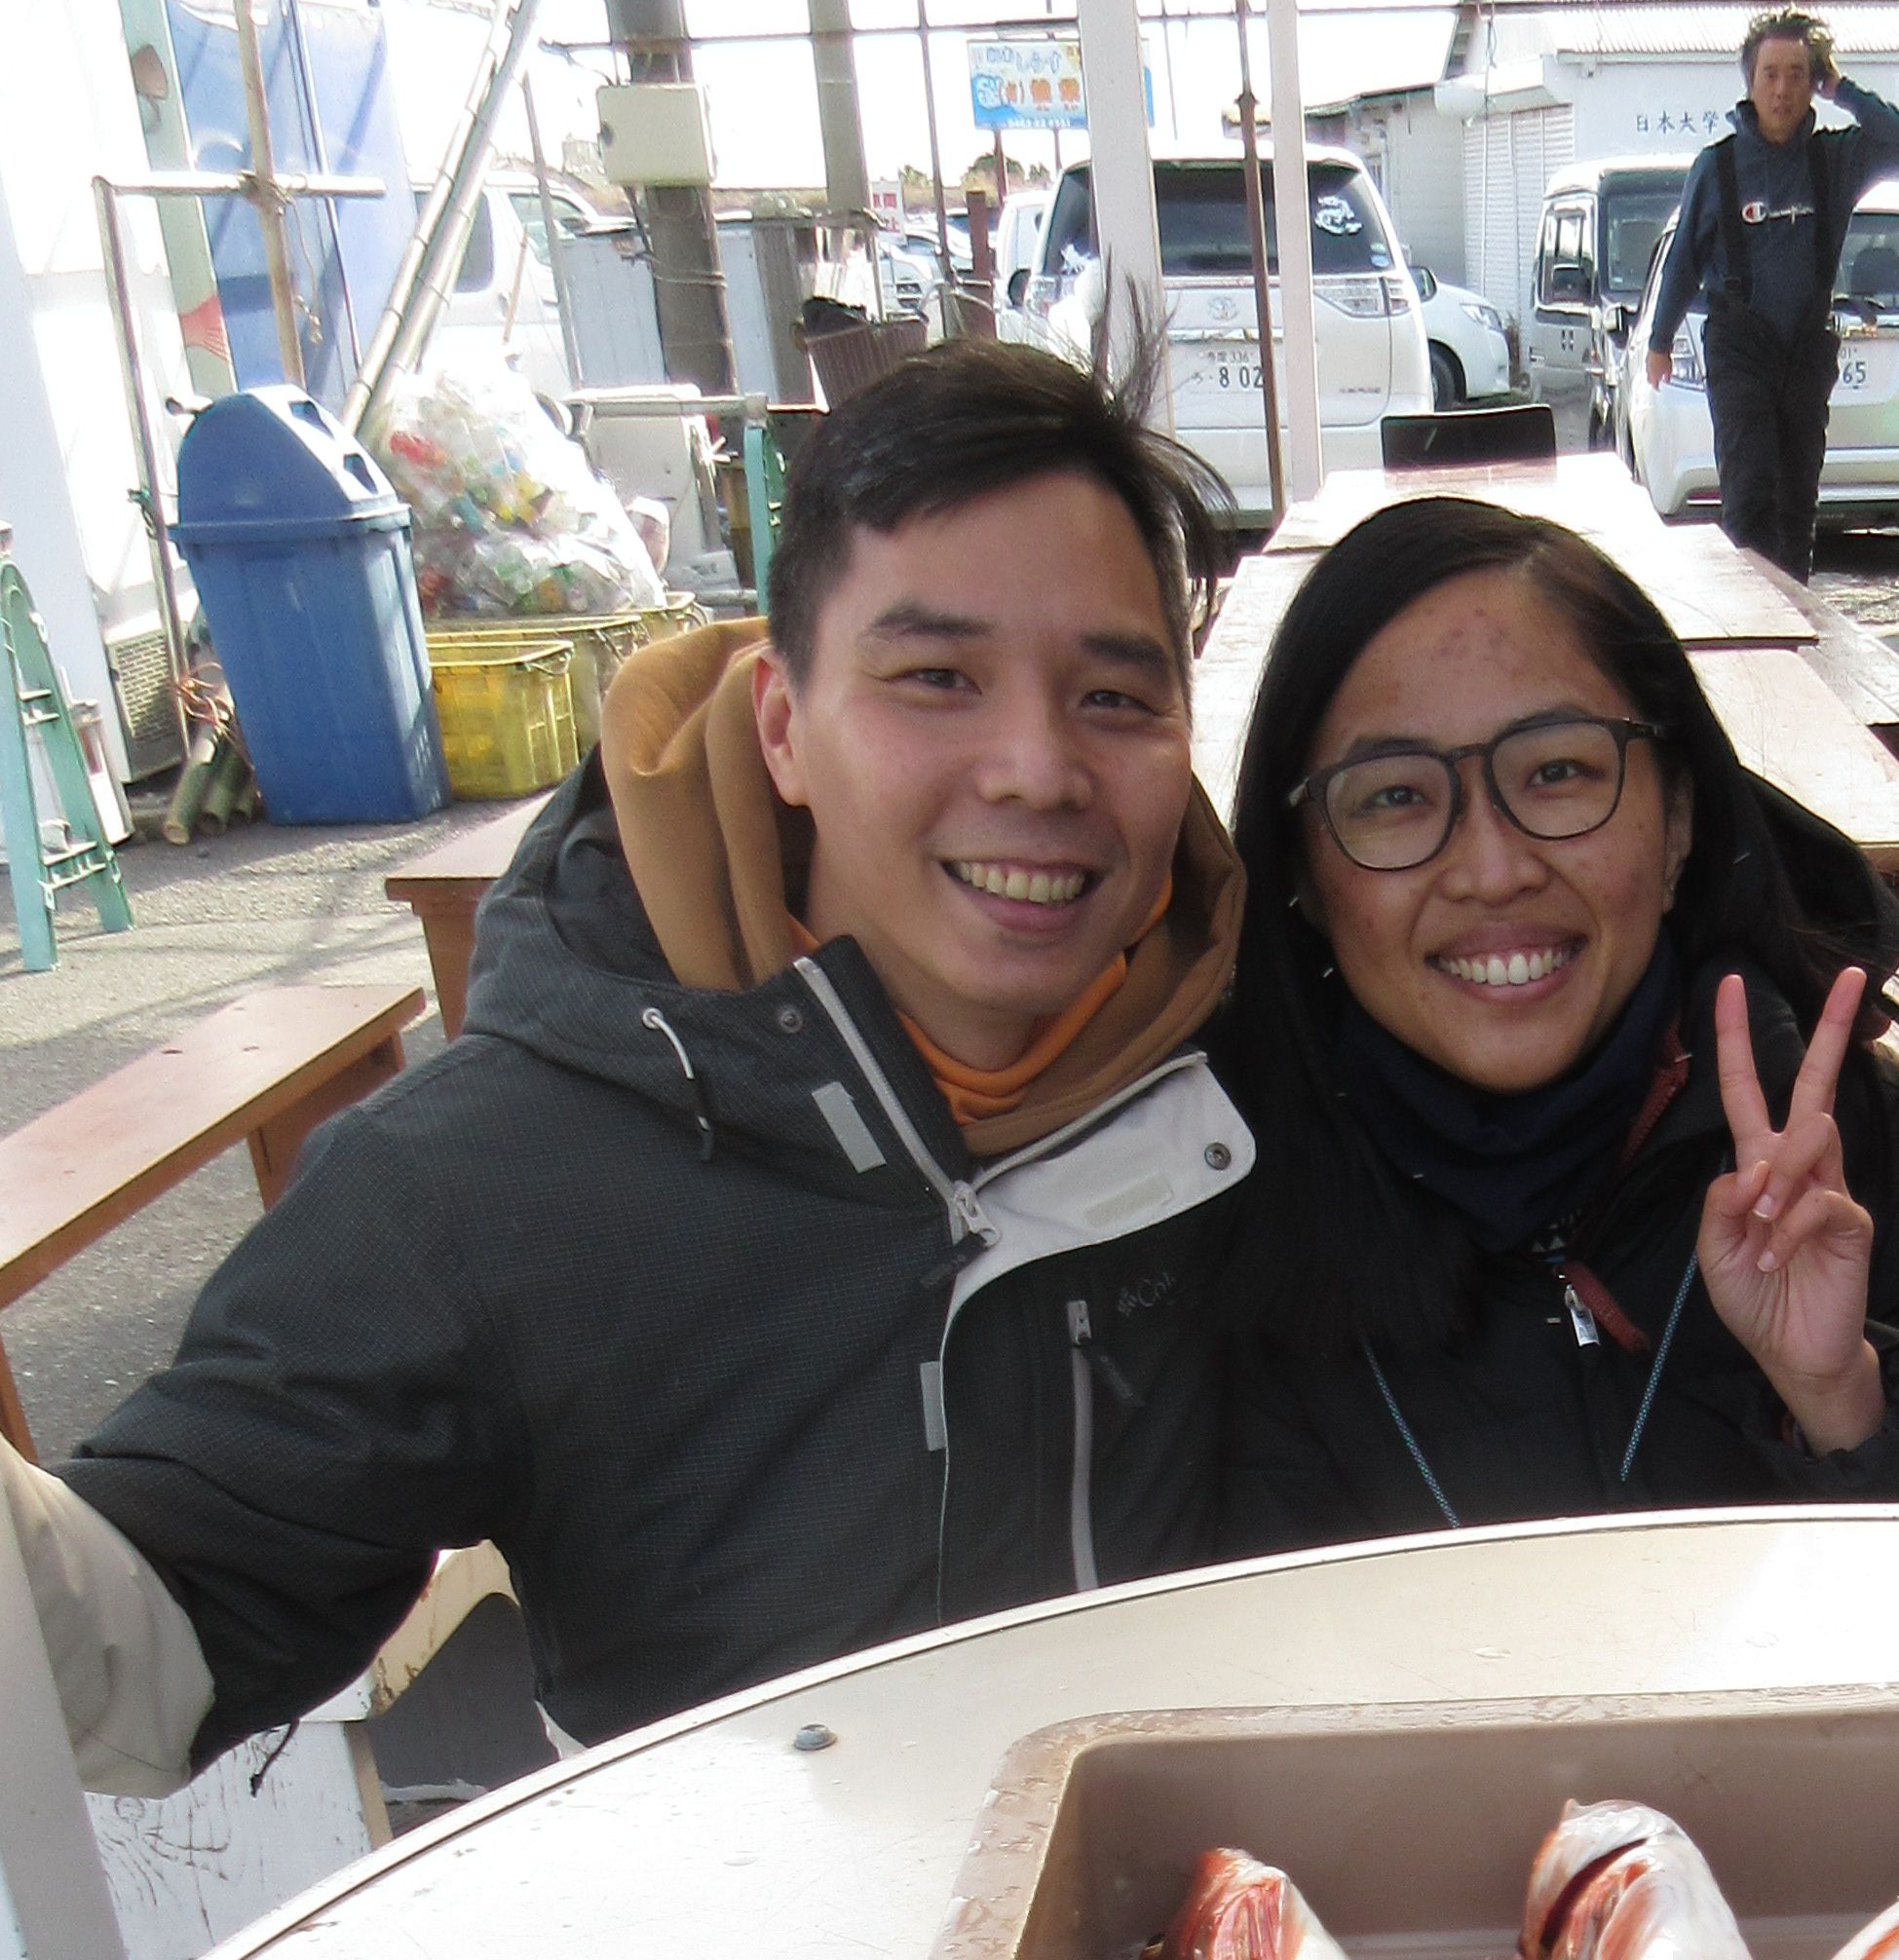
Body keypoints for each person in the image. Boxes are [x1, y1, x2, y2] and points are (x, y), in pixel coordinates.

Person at [6, 343, 1250, 1794]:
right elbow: (139, 1649)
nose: (1036, 768)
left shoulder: (1266, 1075)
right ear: (783, 726)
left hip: (1217, 1906)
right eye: (936, 679)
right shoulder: (482, 1179)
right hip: (724, 1919)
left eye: (1115, 698)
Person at [1204, 497, 1899, 1554]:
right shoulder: (1217, 1192)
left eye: (1557, 772)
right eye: (1392, 796)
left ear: (1678, 822)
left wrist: (1845, 1401)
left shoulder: (1838, 1140)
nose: (1492, 870)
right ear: (1301, 871)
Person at [1644, 14, 1899, 584]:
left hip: (1805, 349)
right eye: (1770, 74)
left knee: (1796, 504)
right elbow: (1684, 260)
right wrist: (1660, 340)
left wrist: (1840, 86)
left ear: (1811, 82)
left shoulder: (1833, 159)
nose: (1782, 90)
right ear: (1750, 82)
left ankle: (1794, 617)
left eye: (1797, 74)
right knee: (1749, 496)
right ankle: (1754, 618)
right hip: (1740, 348)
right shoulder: (1716, 167)